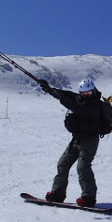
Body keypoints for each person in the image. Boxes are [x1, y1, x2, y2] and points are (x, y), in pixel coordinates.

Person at [38, 78, 102, 207]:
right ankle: (57, 194)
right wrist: (50, 89)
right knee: (63, 164)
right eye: (83, 94)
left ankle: (88, 197)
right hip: (77, 139)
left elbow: (76, 107)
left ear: (93, 90)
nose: (86, 96)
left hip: (90, 140)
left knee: (83, 167)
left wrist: (63, 100)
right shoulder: (78, 98)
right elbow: (63, 94)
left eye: (89, 93)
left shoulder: (96, 105)